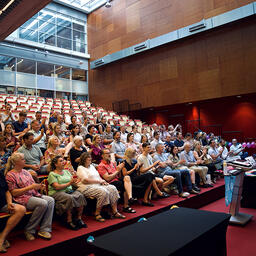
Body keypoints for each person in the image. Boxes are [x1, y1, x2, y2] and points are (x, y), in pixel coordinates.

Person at [5, 153, 54, 241]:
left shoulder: (26, 172)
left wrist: (39, 186)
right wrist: (31, 187)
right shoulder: (10, 175)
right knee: (42, 203)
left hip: (32, 194)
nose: (25, 161)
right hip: (21, 198)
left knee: (51, 200)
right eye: (23, 159)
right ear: (17, 162)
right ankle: (29, 230)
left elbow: (33, 185)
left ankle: (44, 229)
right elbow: (14, 193)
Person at [77, 152, 123, 222]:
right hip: (86, 187)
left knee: (112, 188)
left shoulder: (92, 166)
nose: (90, 159)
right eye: (88, 158)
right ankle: (97, 213)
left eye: (90, 158)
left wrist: (103, 181)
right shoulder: (81, 168)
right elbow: (85, 180)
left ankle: (115, 211)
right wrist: (99, 182)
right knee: (103, 191)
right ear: (84, 159)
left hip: (97, 185)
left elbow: (98, 177)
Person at [47, 156, 87, 230]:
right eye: (61, 161)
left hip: (68, 190)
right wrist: (69, 183)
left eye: (63, 161)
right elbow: (57, 187)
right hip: (57, 192)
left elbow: (72, 183)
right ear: (56, 164)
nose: (63, 162)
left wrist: (76, 182)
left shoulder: (66, 171)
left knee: (80, 195)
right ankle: (69, 220)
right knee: (69, 198)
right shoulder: (52, 174)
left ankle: (78, 218)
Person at [0, 170, 26, 253]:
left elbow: (7, 191)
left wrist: (9, 202)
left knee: (21, 209)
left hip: (2, 204)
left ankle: (2, 237)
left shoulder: (0, 174)